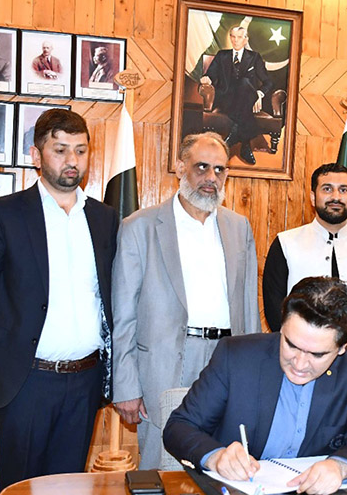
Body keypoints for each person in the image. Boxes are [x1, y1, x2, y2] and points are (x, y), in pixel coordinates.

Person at [0, 109, 118, 491]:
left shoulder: (105, 218)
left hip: (85, 382)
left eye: (80, 151)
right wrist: (11, 343)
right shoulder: (4, 214)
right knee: (22, 487)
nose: (72, 161)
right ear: (36, 155)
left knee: (68, 487)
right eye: (60, 150)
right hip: (26, 381)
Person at [112, 131, 260, 469]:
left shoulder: (239, 227)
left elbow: (249, 310)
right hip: (165, 366)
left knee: (226, 463)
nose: (211, 178)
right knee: (163, 465)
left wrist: (254, 375)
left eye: (220, 170)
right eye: (202, 167)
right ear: (181, 167)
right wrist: (125, 385)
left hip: (227, 360)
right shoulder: (140, 227)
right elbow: (123, 316)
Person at [163, 277, 347, 495]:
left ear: (342, 346)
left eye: (317, 355)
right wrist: (216, 457)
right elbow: (179, 426)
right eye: (291, 345)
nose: (299, 364)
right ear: (281, 327)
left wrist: (339, 467)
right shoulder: (236, 356)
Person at [262, 163, 347, 360]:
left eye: (343, 190)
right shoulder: (286, 244)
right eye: (327, 189)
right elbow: (275, 307)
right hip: (298, 361)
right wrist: (303, 350)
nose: (336, 197)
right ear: (313, 197)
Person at [200, 26, 274, 166]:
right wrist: (206, 79)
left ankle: (233, 137)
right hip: (226, 98)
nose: (235, 40)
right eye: (233, 36)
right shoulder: (222, 55)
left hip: (247, 98)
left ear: (246, 40)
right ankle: (244, 143)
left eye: (239, 37)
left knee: (245, 83)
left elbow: (268, 82)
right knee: (245, 85)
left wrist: (259, 94)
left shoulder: (254, 57)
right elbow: (210, 75)